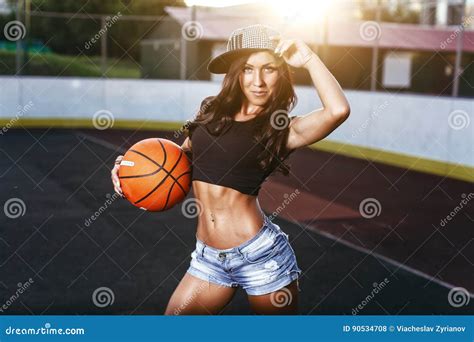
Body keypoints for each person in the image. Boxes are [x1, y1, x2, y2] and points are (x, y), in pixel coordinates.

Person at [111, 24, 350, 315]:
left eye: (269, 69)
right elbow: (176, 162)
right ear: (236, 73)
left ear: (282, 74)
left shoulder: (281, 129)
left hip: (260, 256)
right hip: (208, 258)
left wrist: (310, 57)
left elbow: (338, 111)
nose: (258, 80)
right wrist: (130, 171)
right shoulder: (210, 113)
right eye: (248, 69)